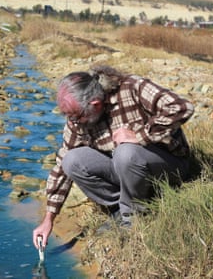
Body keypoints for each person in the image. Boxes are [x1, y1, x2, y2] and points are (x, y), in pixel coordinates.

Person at [32, 65, 194, 249]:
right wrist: (49, 219)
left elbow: (182, 107)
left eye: (77, 116)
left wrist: (139, 136)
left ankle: (134, 216)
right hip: (129, 172)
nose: (73, 122)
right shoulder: (77, 120)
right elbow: (61, 166)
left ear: (95, 104)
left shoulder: (134, 88)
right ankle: (120, 209)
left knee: (125, 152)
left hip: (169, 166)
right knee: (71, 160)